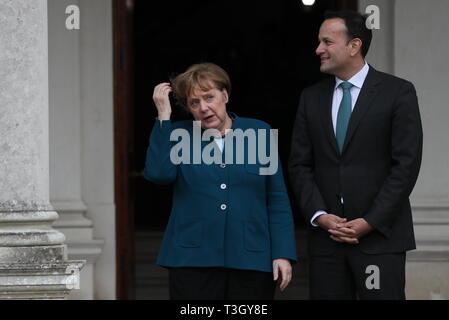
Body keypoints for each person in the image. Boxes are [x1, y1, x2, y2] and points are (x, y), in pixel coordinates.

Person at [288, 11, 423, 300]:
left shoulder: (398, 92)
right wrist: (319, 215)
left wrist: (369, 221)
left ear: (354, 46)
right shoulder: (310, 98)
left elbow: (406, 166)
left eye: (327, 41)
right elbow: (300, 165)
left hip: (380, 239)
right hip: (327, 242)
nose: (318, 49)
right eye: (319, 42)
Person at [144, 62, 297, 300]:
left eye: (209, 97)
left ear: (225, 95)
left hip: (251, 257)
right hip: (192, 259)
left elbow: (276, 199)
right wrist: (163, 116)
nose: (204, 108)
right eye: (195, 103)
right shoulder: (180, 134)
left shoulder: (259, 132)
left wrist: (283, 253)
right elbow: (158, 174)